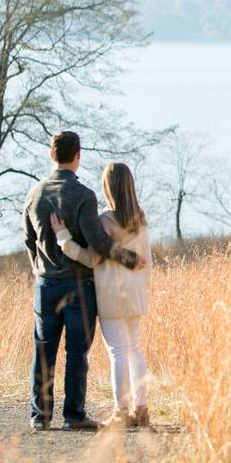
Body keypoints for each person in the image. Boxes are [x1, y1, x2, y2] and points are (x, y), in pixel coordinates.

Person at [23, 131, 141, 431]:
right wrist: (129, 258)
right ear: (78, 155)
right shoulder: (84, 196)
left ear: (52, 155)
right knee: (77, 351)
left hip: (45, 284)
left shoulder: (33, 194)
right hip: (78, 285)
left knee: (43, 350)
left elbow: (28, 239)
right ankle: (73, 415)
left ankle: (40, 416)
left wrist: (39, 268)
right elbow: (99, 243)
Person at [51, 161, 153, 428]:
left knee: (117, 351)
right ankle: (141, 409)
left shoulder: (106, 221)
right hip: (136, 294)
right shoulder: (140, 218)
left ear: (107, 187)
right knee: (134, 349)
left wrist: (64, 239)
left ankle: (121, 412)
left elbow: (91, 258)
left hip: (112, 295)